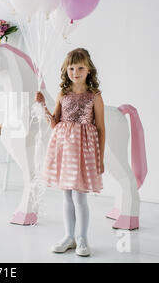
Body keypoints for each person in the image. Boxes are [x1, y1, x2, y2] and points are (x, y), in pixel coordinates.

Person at [35, 48, 105, 257]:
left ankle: (82, 238)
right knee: (66, 196)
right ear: (66, 70)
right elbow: (55, 123)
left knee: (80, 198)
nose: (75, 72)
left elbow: (101, 127)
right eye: (71, 68)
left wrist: (100, 158)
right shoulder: (63, 94)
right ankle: (69, 236)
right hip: (64, 150)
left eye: (80, 68)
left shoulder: (95, 97)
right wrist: (43, 107)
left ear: (89, 70)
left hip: (83, 151)